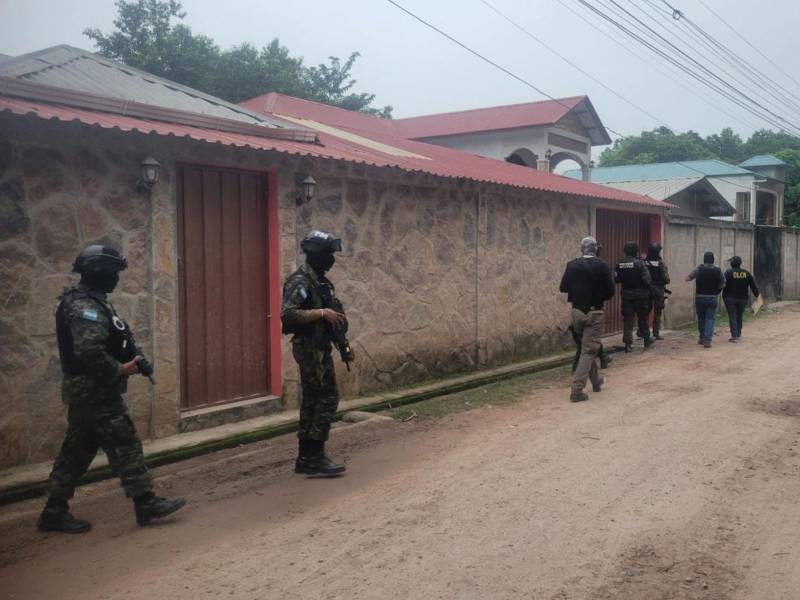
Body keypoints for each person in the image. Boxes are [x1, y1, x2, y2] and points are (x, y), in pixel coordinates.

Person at [39, 245, 186, 534]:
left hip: (89, 392)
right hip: (95, 392)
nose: (117, 279)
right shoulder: (84, 307)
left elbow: (115, 337)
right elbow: (89, 351)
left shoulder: (93, 302)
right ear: (100, 273)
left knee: (78, 451)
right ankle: (145, 502)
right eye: (114, 273)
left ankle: (54, 510)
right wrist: (120, 369)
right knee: (125, 442)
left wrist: (133, 356)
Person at [281, 230, 354, 476]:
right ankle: (314, 454)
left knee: (314, 400)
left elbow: (335, 320)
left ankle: (307, 456)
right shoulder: (300, 281)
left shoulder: (320, 281)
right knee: (327, 397)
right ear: (316, 255)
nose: (332, 259)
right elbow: (288, 314)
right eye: (328, 254)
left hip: (321, 348)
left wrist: (343, 346)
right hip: (309, 348)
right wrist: (321, 313)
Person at [559, 236, 616, 402]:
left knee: (586, 348)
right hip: (594, 313)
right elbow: (610, 292)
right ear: (595, 249)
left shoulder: (572, 265)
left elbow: (563, 287)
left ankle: (596, 381)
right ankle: (577, 390)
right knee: (589, 350)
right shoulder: (602, 266)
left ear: (581, 249)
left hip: (576, 312)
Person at [615, 241, 655, 352]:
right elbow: (647, 280)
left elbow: (616, 279)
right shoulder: (640, 263)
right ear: (635, 252)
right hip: (640, 296)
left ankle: (628, 345)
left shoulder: (619, 263)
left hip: (626, 296)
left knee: (628, 320)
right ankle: (647, 340)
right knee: (642, 318)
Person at [685, 251, 725, 348]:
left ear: (704, 259)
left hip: (700, 298)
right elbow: (723, 284)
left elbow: (687, 278)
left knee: (701, 319)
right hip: (712, 298)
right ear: (713, 260)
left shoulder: (699, 269)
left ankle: (702, 338)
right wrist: (718, 290)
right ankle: (707, 340)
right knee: (710, 319)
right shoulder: (718, 270)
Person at [723, 255, 760, 342]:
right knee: (739, 316)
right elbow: (753, 286)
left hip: (729, 298)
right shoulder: (746, 273)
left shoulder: (728, 272)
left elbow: (722, 284)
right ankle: (738, 333)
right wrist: (758, 297)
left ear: (732, 263)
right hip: (743, 299)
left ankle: (734, 335)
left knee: (732, 315)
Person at [645, 242, 670, 340]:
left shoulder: (644, 262)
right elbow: (666, 278)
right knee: (657, 312)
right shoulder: (660, 263)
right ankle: (655, 333)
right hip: (658, 290)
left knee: (645, 311)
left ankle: (642, 330)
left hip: (646, 290)